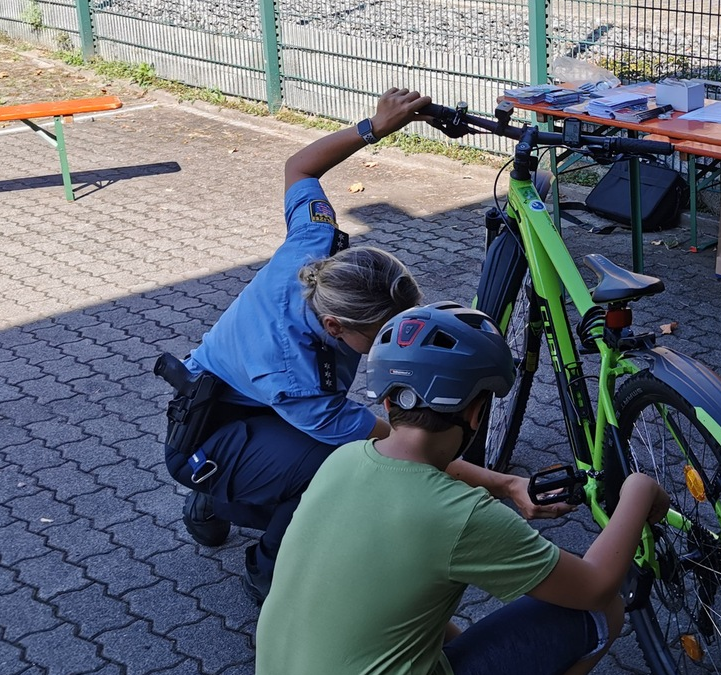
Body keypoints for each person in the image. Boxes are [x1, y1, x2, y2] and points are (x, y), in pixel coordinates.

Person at [160, 88, 568, 606]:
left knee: (298, 452)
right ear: (333, 326)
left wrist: (375, 128)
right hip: (208, 429)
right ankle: (266, 572)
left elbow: (300, 168)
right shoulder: (294, 373)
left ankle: (218, 499)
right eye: (381, 337)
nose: (392, 346)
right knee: (335, 469)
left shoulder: (318, 246)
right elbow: (399, 445)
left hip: (249, 401)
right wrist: (502, 484)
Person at [255, 301, 670, 675]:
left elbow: (411, 603)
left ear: (387, 402)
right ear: (475, 414)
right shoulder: (462, 515)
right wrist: (638, 487)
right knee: (602, 612)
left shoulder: (342, 461)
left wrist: (507, 485)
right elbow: (595, 586)